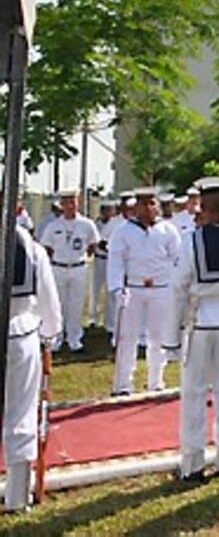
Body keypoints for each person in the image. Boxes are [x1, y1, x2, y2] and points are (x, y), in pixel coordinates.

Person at [164, 177, 219, 481]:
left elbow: (177, 289)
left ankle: (192, 463)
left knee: (194, 393)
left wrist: (170, 338)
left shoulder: (190, 241)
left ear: (201, 207)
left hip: (201, 320)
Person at [3, 224, 61, 512]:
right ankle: (16, 496)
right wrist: (50, 335)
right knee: (20, 415)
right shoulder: (32, 248)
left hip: (19, 329)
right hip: (20, 332)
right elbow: (49, 301)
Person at [108, 188, 182, 394]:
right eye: (144, 204)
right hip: (133, 289)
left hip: (160, 288)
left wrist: (176, 287)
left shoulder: (168, 230)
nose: (149, 208)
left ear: (158, 205)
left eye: (152, 203)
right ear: (136, 206)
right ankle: (123, 383)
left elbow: (178, 259)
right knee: (127, 338)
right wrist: (117, 287)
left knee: (158, 337)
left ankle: (155, 381)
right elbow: (116, 260)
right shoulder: (124, 231)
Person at [38, 189, 99, 354]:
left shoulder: (87, 224)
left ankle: (74, 340)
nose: (70, 206)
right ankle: (56, 339)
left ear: (78, 202)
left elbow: (93, 245)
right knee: (57, 304)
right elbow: (47, 247)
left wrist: (83, 258)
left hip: (78, 267)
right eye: (66, 203)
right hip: (58, 267)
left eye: (73, 202)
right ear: (61, 205)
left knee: (76, 305)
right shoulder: (53, 225)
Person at [91, 199, 118, 334]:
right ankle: (93, 318)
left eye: (109, 210)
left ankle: (109, 322)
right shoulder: (96, 224)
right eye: (104, 209)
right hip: (98, 258)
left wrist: (105, 245)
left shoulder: (116, 225)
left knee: (110, 291)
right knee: (95, 289)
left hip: (110, 260)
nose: (107, 212)